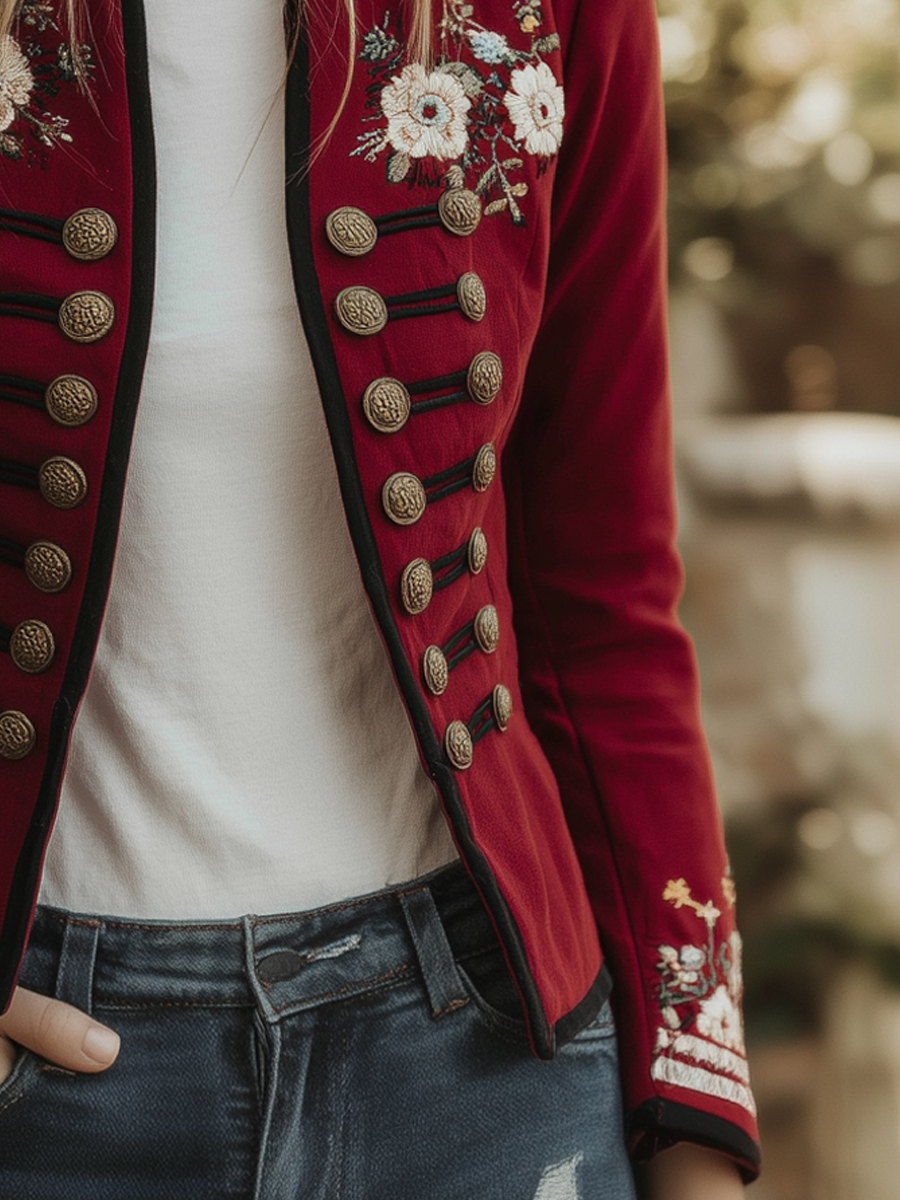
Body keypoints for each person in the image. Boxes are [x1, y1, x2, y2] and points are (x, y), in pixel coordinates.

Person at [0, 0, 760, 1194]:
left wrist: (698, 1118)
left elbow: (602, 587)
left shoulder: (552, 18)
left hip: (489, 1060)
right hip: (52, 1084)